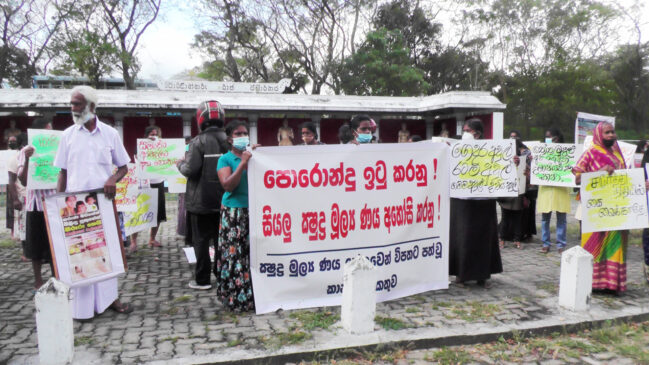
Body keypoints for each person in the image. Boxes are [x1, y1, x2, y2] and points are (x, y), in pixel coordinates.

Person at [54, 85, 133, 318]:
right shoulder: (67, 135)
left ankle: (110, 300)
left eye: (77, 104)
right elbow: (62, 173)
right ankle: (81, 309)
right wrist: (59, 205)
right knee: (79, 256)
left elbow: (124, 167)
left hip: (102, 204)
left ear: (91, 106)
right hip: (74, 206)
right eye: (71, 104)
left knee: (105, 254)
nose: (73, 108)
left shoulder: (110, 133)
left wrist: (112, 178)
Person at [573, 122, 639, 294]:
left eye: (613, 132)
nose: (611, 135)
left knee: (615, 244)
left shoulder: (618, 155)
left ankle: (611, 284)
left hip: (616, 210)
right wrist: (600, 171)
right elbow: (577, 179)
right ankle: (593, 283)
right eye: (607, 133)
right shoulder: (591, 152)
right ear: (599, 135)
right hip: (596, 209)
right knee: (594, 243)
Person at [177, 100, 229, 290]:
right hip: (224, 200)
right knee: (222, 241)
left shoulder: (197, 142)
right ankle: (223, 276)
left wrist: (179, 163)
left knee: (201, 242)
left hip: (200, 202)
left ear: (200, 119)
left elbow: (190, 170)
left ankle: (202, 280)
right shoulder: (229, 140)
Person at [449, 118, 502, 288]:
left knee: (483, 239)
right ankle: (461, 275)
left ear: (477, 134)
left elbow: (501, 169)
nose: (464, 133)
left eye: (467, 130)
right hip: (462, 201)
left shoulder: (490, 150)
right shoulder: (456, 149)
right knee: (462, 237)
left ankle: (482, 275)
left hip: (484, 201)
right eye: (463, 130)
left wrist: (513, 162)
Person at [216, 120, 256, 311]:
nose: (242, 137)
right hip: (234, 213)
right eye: (238, 134)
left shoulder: (254, 156)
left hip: (254, 209)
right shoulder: (225, 159)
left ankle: (254, 295)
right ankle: (235, 298)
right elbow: (228, 185)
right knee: (235, 256)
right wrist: (243, 163)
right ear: (230, 139)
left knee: (251, 253)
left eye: (245, 133)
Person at [17, 119, 58, 289]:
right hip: (36, 205)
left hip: (55, 203)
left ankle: (57, 277)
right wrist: (28, 160)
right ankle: (38, 280)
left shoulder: (58, 150)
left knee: (56, 244)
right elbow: (23, 180)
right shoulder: (26, 151)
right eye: (49, 129)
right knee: (35, 245)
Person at [129, 126, 165, 252]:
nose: (154, 136)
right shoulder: (140, 146)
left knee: (158, 214)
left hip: (158, 182)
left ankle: (152, 238)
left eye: (156, 134)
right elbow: (139, 159)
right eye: (151, 134)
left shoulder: (162, 148)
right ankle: (133, 241)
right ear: (146, 135)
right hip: (143, 183)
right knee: (139, 213)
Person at [538, 128, 571, 254]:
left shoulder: (567, 152)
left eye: (551, 137)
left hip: (561, 189)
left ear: (557, 138)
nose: (549, 140)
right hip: (546, 190)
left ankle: (561, 244)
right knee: (545, 218)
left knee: (561, 218)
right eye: (547, 137)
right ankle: (545, 244)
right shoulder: (542, 152)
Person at [498, 138, 528, 249]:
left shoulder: (523, 161)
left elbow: (527, 176)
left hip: (518, 194)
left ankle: (516, 239)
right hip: (506, 195)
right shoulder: (503, 159)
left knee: (517, 219)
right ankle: (502, 239)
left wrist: (526, 171)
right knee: (505, 218)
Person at [176, 136, 192, 237]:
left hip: (191, 188)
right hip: (182, 187)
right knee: (182, 209)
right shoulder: (179, 156)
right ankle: (184, 231)